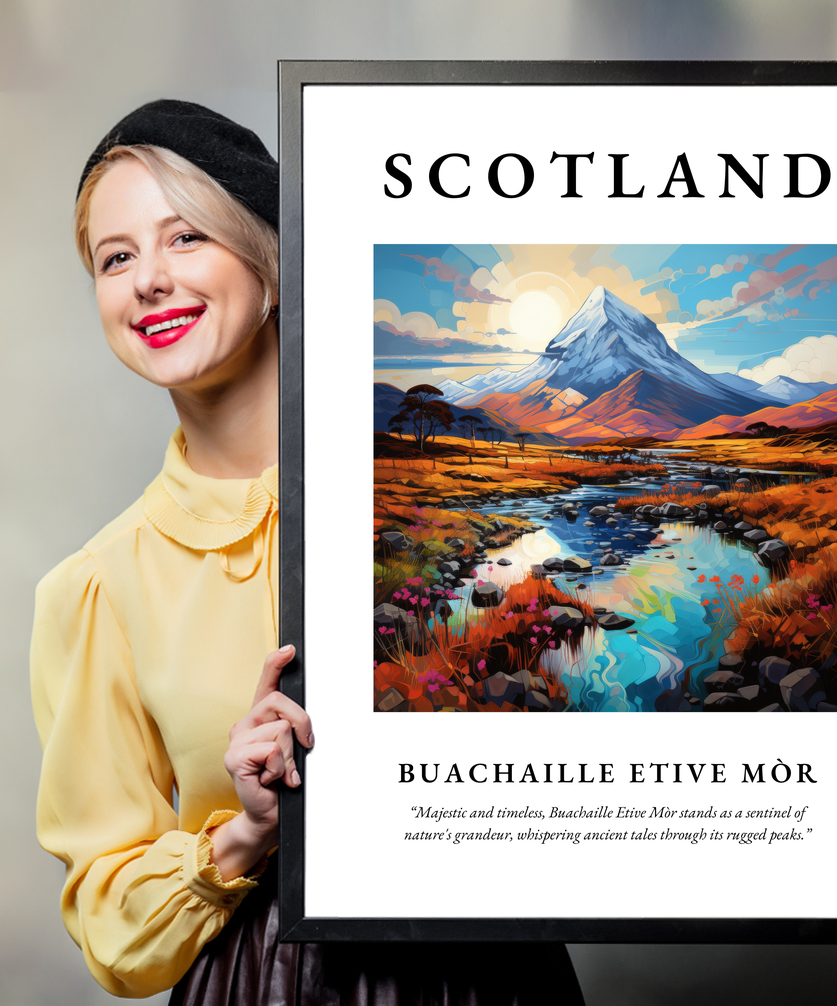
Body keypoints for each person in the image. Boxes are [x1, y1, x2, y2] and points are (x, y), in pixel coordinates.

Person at [30, 100, 586, 1004]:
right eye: (116, 257)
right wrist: (245, 832)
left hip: (494, 975)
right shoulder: (97, 587)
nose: (148, 281)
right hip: (262, 982)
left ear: (273, 264)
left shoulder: (451, 511)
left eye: (185, 238)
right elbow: (110, 922)